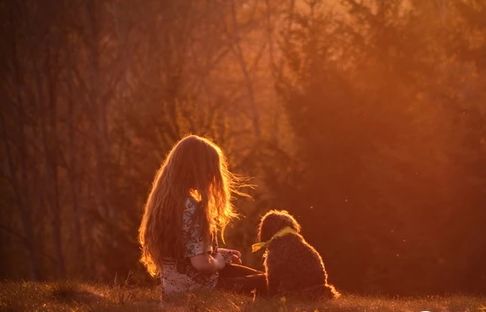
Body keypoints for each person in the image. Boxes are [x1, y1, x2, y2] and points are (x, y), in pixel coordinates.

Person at [138, 135, 266, 299]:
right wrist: (219, 260)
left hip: (173, 291)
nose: (213, 177)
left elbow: (188, 252)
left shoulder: (164, 205)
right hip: (203, 289)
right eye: (211, 170)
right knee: (270, 281)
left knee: (259, 276)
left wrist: (218, 252)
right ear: (197, 170)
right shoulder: (194, 209)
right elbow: (201, 264)